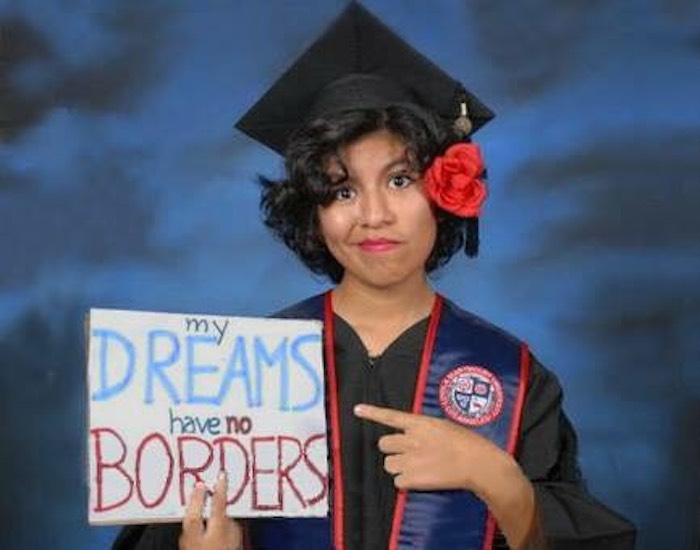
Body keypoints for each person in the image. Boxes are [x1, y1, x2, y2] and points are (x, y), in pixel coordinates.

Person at [113, 3, 636, 549]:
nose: (373, 215)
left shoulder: (513, 375)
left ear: (443, 192)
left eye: (401, 180)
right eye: (342, 189)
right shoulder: (238, 374)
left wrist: (497, 478)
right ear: (310, 212)